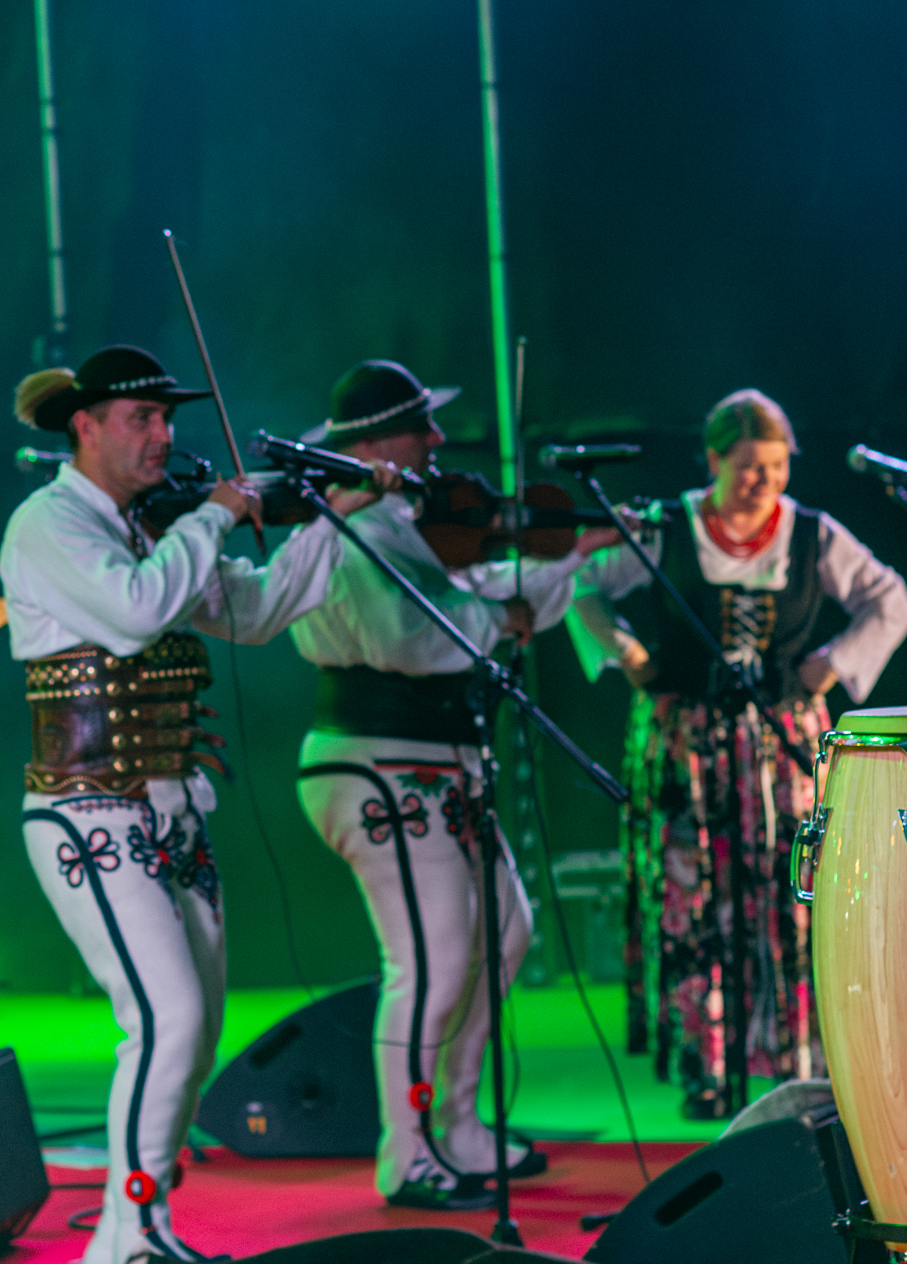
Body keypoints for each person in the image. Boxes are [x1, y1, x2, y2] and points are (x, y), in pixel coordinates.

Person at [0, 345, 395, 1264]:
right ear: (86, 426)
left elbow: (254, 613)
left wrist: (334, 519)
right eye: (141, 419)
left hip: (170, 810)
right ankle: (125, 1233)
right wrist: (215, 514)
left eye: (166, 419)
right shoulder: (49, 525)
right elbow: (137, 612)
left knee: (200, 1020)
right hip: (87, 809)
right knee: (165, 1016)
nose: (163, 436)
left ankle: (145, 1215)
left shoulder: (151, 530)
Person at [290, 359, 604, 1209]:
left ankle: (459, 1126)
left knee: (504, 931)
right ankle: (408, 1149)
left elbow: (463, 589)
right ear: (386, 436)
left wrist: (558, 561)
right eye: (422, 425)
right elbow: (412, 636)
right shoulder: (348, 519)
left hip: (431, 763)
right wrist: (501, 616)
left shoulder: (399, 519)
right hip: (376, 758)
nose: (436, 440)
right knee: (427, 962)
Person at [569, 389, 907, 1119]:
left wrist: (835, 661)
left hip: (780, 741)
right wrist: (625, 650)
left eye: (778, 466)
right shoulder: (666, 527)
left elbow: (891, 600)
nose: (765, 481)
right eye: (751, 467)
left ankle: (797, 1058)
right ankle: (707, 1059)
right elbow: (581, 585)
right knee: (695, 899)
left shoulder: (812, 534)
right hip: (687, 742)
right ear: (715, 460)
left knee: (789, 895)